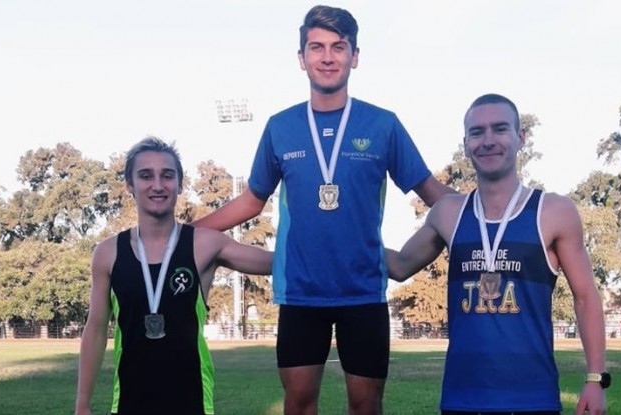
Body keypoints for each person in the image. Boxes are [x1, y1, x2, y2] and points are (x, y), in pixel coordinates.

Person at [191, 5, 452, 414]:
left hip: (362, 291)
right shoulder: (281, 126)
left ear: (355, 56)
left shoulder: (382, 125)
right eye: (316, 47)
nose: (327, 57)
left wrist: (485, 218)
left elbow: (431, 190)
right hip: (301, 294)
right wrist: (186, 233)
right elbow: (251, 201)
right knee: (298, 404)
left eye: (338, 47)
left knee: (366, 406)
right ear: (301, 58)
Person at [385, 94, 609, 415]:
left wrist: (595, 379)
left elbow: (586, 297)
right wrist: (347, 237)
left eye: (499, 129)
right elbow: (399, 266)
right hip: (461, 400)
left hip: (533, 400)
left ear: (520, 138)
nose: (488, 140)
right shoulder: (448, 213)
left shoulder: (554, 211)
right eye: (477, 133)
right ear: (465, 144)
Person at [75, 136, 272, 415]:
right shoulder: (108, 253)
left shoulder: (205, 244)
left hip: (192, 400)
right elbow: (95, 329)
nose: (157, 185)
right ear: (129, 185)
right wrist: (82, 403)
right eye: (145, 176)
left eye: (167, 176)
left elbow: (276, 264)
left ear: (180, 184)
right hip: (130, 401)